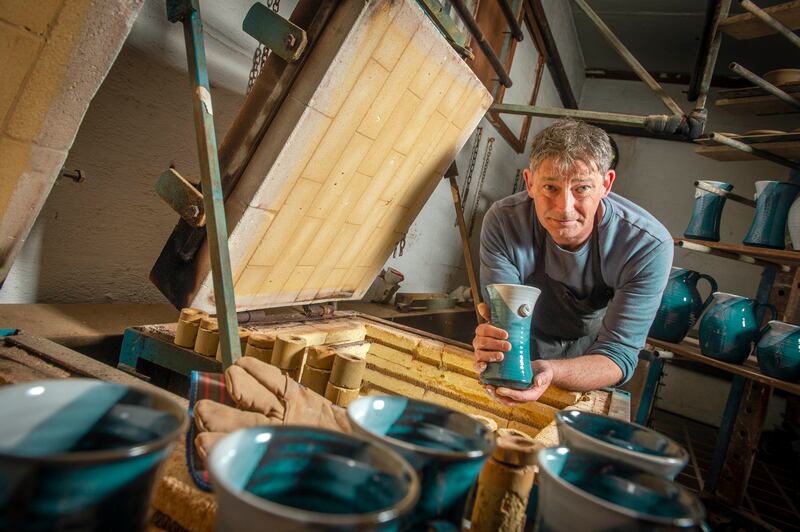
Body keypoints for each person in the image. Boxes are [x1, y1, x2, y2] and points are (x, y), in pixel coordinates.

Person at [473, 119, 672, 406]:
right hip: (527, 343)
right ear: (529, 183)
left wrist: (551, 370)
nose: (564, 208)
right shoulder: (504, 222)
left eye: (582, 189)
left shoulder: (647, 246)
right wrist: (491, 344)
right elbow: (505, 322)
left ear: (606, 184)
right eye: (550, 187)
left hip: (591, 357)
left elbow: (619, 354)